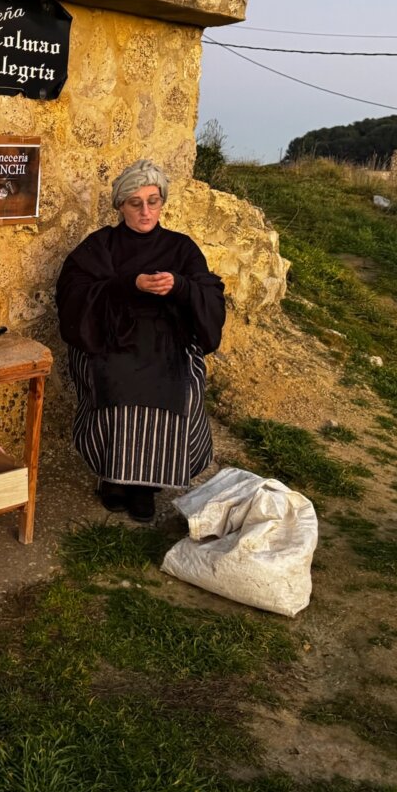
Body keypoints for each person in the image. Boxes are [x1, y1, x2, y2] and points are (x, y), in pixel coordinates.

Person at [56, 159, 226, 522]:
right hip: (110, 337)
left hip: (168, 340)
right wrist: (128, 284)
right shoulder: (101, 245)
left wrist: (180, 286)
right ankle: (113, 479)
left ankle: (146, 487)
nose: (145, 211)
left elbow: (209, 293)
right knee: (113, 378)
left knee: (180, 386)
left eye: (153, 201)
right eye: (135, 203)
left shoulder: (181, 248)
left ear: (162, 202)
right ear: (120, 205)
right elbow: (74, 292)